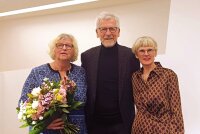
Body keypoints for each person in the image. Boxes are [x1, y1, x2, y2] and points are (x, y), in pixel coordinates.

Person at [81, 12, 140, 134]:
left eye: (112, 29)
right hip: (95, 123)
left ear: (118, 32)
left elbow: (137, 87)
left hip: (122, 123)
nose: (108, 33)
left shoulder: (131, 55)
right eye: (103, 29)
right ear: (97, 33)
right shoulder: (87, 56)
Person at [18, 33, 87, 134]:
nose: (64, 48)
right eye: (59, 45)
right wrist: (44, 123)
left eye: (68, 45)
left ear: (74, 51)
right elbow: (23, 103)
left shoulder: (81, 72)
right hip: (48, 130)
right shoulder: (37, 72)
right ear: (53, 49)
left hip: (77, 128)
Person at [131, 36, 184, 134]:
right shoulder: (135, 77)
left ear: (155, 52)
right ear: (137, 55)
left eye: (150, 50)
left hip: (162, 129)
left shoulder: (169, 75)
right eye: (142, 51)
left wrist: (178, 131)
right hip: (139, 128)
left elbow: (176, 109)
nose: (146, 54)